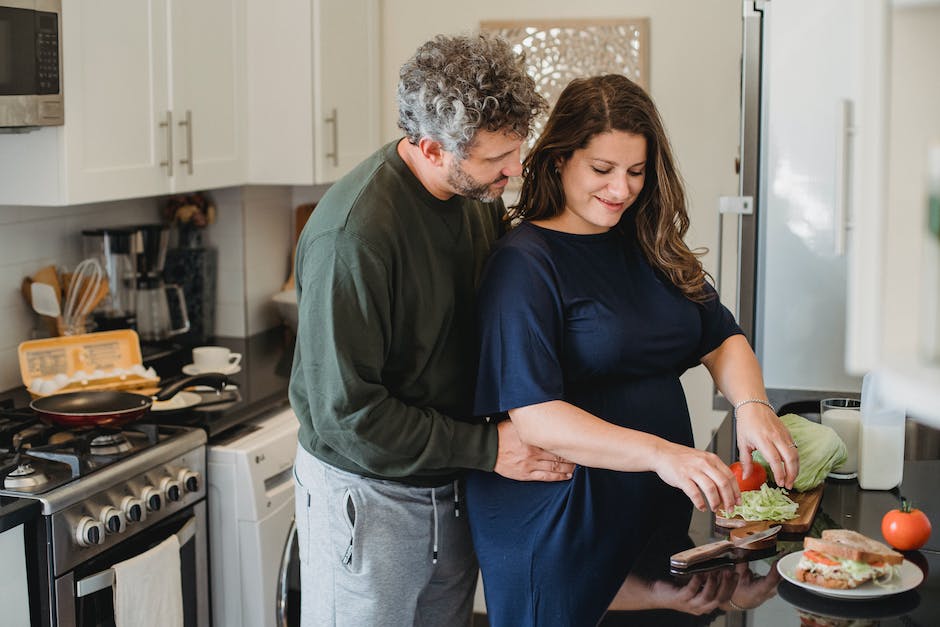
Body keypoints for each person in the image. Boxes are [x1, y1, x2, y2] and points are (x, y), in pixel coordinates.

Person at [466, 74, 800, 627]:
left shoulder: (646, 244)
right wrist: (664, 455)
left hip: (655, 516)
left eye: (636, 171)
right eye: (602, 170)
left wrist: (753, 405)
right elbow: (537, 417)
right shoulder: (524, 263)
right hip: (564, 526)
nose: (621, 189)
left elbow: (719, 334)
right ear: (557, 162)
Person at [288, 33, 574, 627]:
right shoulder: (353, 237)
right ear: (430, 146)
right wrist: (490, 448)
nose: (513, 172)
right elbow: (351, 417)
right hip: (369, 496)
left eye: (514, 151)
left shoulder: (478, 197)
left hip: (451, 484)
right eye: (497, 159)